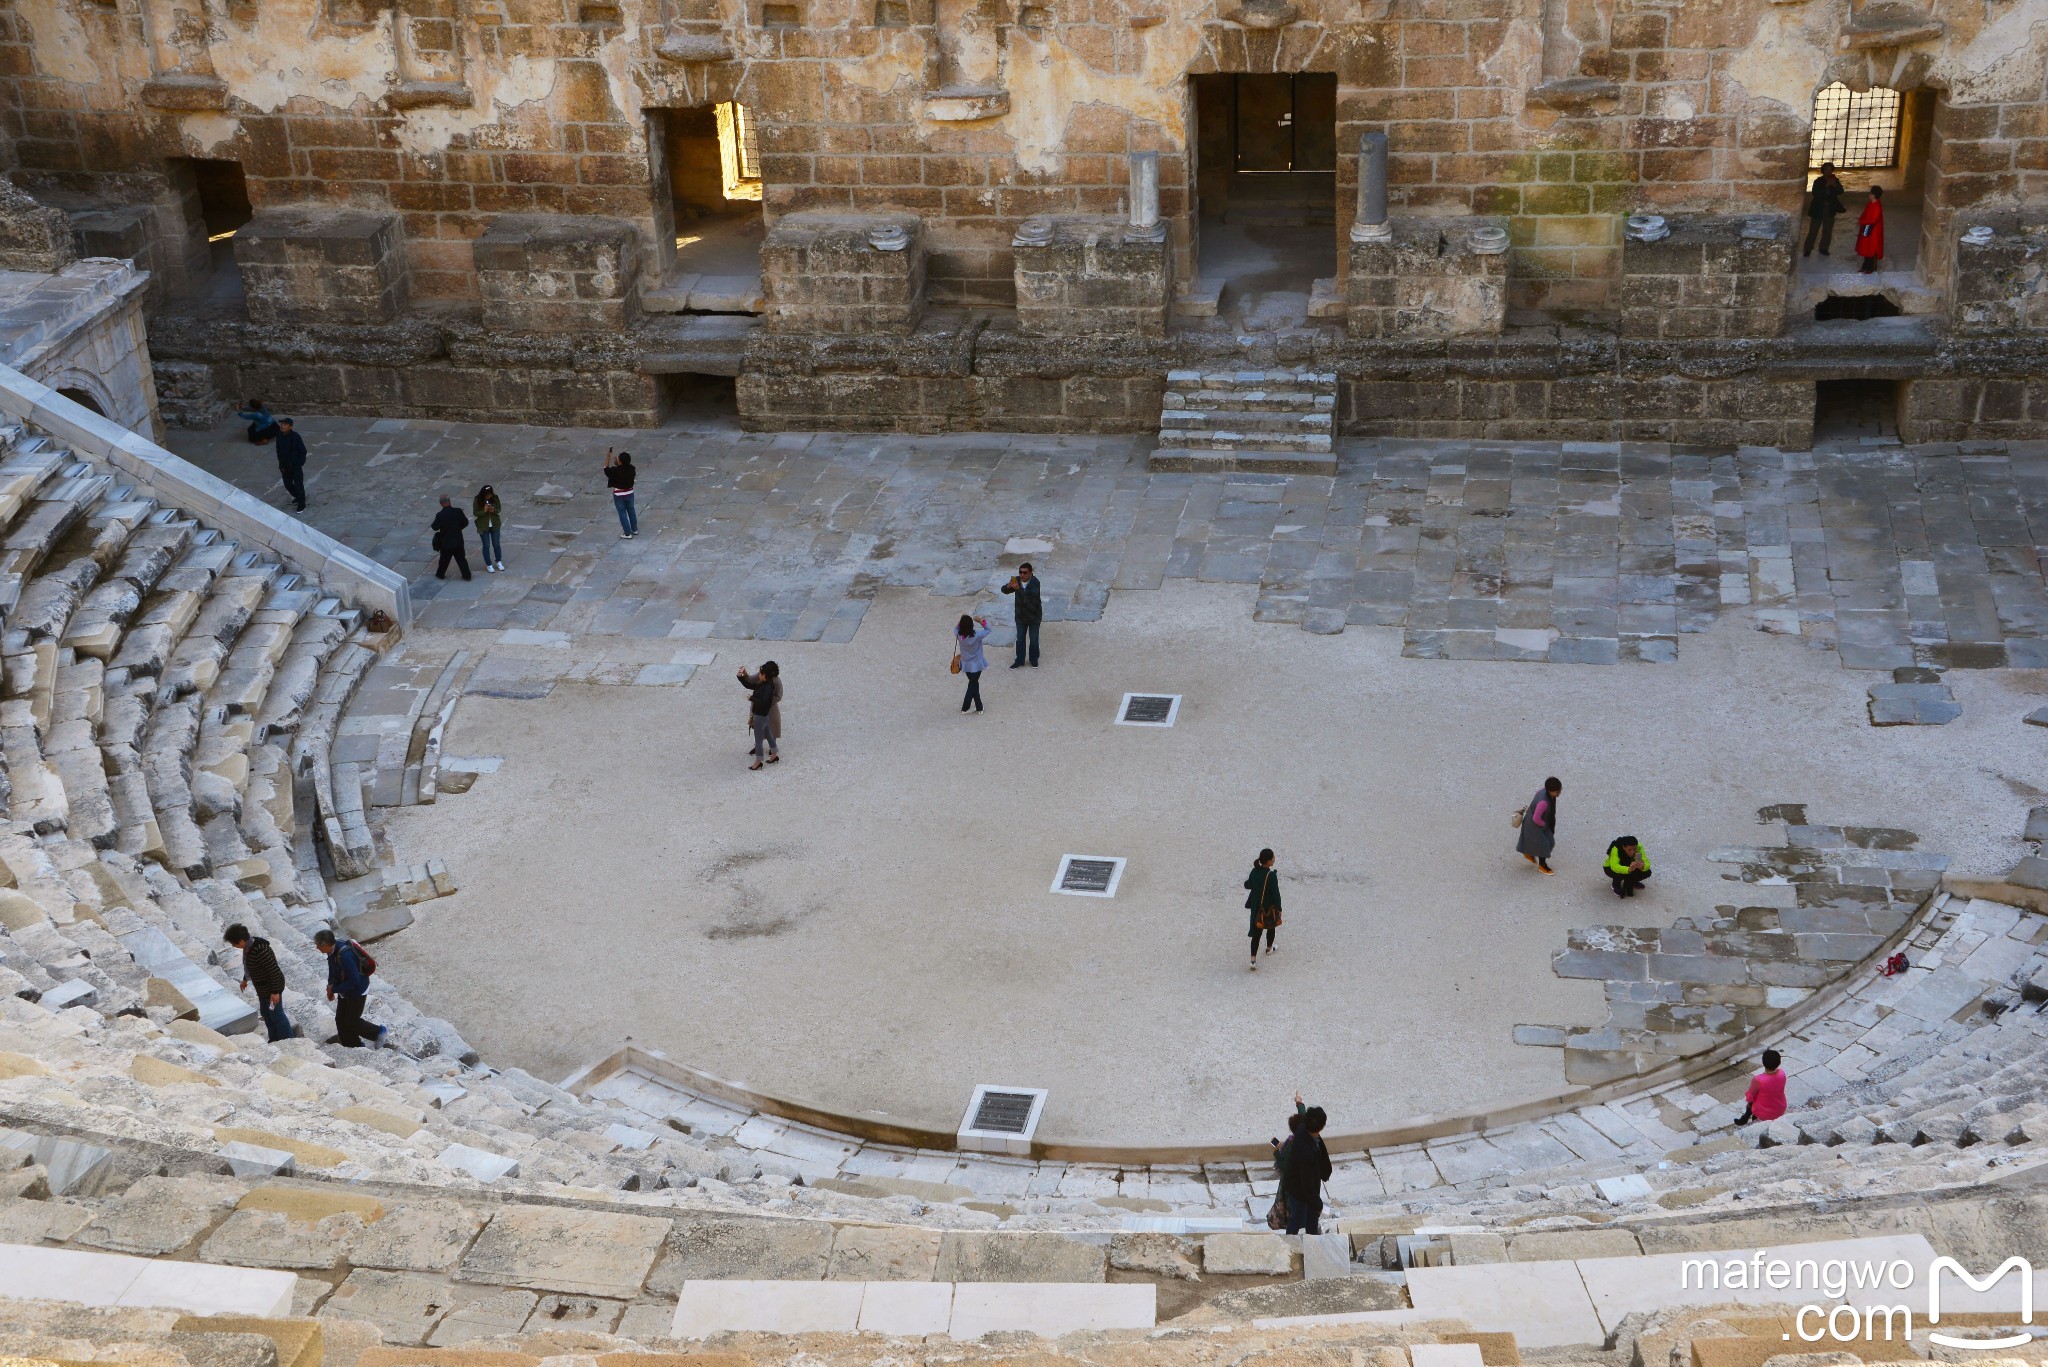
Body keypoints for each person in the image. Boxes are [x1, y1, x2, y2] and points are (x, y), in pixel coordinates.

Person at [314, 929, 388, 1049]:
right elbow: (332, 968)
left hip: (357, 991)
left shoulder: (346, 956)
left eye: (318, 945)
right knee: (340, 1019)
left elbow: (354, 981)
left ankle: (379, 1032)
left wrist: (334, 989)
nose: (317, 948)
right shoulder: (332, 951)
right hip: (344, 989)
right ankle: (352, 1046)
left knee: (351, 1021)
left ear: (326, 945)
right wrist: (330, 985)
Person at [1272, 1092, 1332, 1234]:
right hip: (1300, 1191)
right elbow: (1307, 1183)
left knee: (1304, 1217)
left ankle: (1309, 1237)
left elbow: (1303, 1114)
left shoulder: (1302, 1129)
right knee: (1301, 1217)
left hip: (1295, 1185)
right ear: (1322, 1126)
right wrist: (1318, 1204)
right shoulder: (1305, 1152)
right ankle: (1295, 1242)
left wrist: (1299, 1103)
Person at [224, 922, 294, 1042]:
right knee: (266, 1014)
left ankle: (287, 1040)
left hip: (271, 989)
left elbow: (273, 971)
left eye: (234, 943)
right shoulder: (249, 948)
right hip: (262, 989)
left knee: (277, 1015)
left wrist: (275, 992)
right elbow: (250, 967)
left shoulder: (261, 950)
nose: (234, 946)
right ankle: (274, 1038)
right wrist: (245, 980)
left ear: (241, 941)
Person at [738, 661, 780, 770]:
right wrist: (741, 677)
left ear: (765, 675)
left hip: (760, 716)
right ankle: (774, 754)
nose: (758, 675)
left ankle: (758, 761)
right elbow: (750, 684)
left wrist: (751, 698)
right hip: (764, 716)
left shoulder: (767, 687)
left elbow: (763, 701)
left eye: (760, 674)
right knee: (769, 735)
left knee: (758, 740)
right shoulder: (765, 684)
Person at [1517, 776, 1562, 875]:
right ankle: (1542, 866)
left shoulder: (1543, 791)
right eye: (1557, 792)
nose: (1559, 793)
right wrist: (1545, 825)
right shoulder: (1543, 803)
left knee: (1548, 842)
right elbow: (1536, 819)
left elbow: (1535, 799)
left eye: (1559, 790)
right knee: (1545, 844)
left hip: (1534, 821)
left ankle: (1528, 853)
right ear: (1550, 790)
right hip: (1535, 825)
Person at [1245, 848, 1282, 970]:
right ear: (1268, 861)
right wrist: (1279, 908)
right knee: (1271, 927)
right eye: (1272, 858)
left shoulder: (1254, 871)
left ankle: (1253, 960)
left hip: (1256, 908)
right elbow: (1276, 894)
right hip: (1269, 908)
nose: (1274, 859)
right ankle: (1269, 948)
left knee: (1256, 933)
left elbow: (1248, 885)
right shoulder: (1271, 876)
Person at [1002, 561, 1042, 668]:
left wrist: (1018, 589)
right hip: (1020, 617)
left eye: (1025, 573)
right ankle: (1019, 660)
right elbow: (1004, 590)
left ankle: (1034, 659)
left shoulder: (1035, 583)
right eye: (1020, 572)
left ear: (1030, 573)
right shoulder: (1017, 580)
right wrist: (1008, 586)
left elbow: (1028, 597)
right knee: (1020, 639)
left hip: (1034, 617)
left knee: (1033, 640)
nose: (1022, 575)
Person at [1802, 163, 1845, 258]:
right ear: (1823, 171)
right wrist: (1826, 186)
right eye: (1826, 170)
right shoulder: (1818, 181)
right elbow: (1815, 194)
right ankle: (1808, 248)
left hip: (1829, 209)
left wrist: (1834, 185)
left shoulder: (1835, 180)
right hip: (1818, 209)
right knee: (1813, 230)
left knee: (1827, 230)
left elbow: (1841, 191)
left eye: (1830, 170)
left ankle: (1824, 248)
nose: (1828, 172)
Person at [1735, 1049, 1788, 1126]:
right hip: (1780, 1107)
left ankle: (1745, 1118)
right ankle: (1744, 1118)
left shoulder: (1758, 1080)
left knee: (1750, 1103)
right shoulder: (1782, 1073)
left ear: (1763, 1062)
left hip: (1764, 1113)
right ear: (1779, 1063)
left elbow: (1750, 1096)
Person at [955, 613, 991, 713]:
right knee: (973, 684)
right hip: (977, 664)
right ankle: (966, 708)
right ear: (972, 625)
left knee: (973, 684)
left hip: (966, 665)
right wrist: (981, 621)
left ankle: (979, 707)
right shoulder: (977, 635)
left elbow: (956, 628)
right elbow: (988, 630)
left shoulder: (958, 635)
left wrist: (961, 623)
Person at [430, 494, 472, 581]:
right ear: (450, 501)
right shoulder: (458, 511)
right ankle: (467, 576)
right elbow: (465, 522)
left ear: (441, 504)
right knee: (461, 559)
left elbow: (434, 527)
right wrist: (458, 528)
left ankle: (440, 574)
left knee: (444, 561)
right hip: (458, 541)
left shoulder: (440, 515)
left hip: (446, 543)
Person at [274, 418, 308, 512]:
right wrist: (281, 464)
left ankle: (302, 504)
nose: (282, 426)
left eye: (285, 424)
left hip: (295, 466)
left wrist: (299, 464)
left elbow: (303, 451)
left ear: (290, 427)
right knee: (288, 484)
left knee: (298, 485)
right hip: (285, 466)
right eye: (282, 424)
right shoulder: (279, 436)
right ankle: (298, 497)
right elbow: (279, 451)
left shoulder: (295, 437)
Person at [605, 448, 638, 539]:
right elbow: (623, 469)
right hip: (630, 493)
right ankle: (634, 529)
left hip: (619, 495)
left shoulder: (615, 471)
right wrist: (618, 464)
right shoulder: (632, 469)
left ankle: (627, 533)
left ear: (621, 461)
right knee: (631, 511)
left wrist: (608, 456)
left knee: (622, 513)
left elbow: (606, 469)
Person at [473, 485, 505, 573]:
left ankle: (499, 561)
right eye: (487, 495)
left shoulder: (495, 498)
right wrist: (484, 510)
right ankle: (489, 564)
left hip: (494, 524)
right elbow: (475, 513)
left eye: (490, 495)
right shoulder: (477, 499)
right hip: (483, 526)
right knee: (486, 545)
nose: (489, 496)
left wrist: (493, 510)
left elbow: (499, 509)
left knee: (496, 544)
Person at [1855, 185, 1885, 274]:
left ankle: (1871, 268)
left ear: (1873, 195)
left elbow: (1873, 220)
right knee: (1866, 247)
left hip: (1873, 230)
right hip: (1868, 228)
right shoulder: (1870, 203)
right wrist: (1861, 220)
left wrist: (1862, 222)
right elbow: (1865, 213)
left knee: (1872, 248)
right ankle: (1865, 266)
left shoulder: (1877, 206)